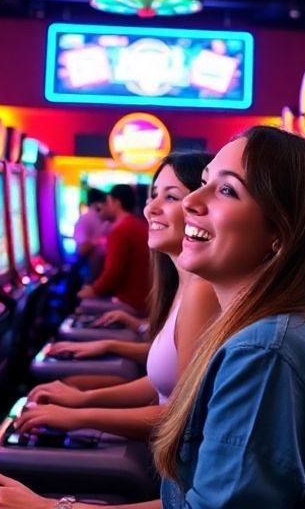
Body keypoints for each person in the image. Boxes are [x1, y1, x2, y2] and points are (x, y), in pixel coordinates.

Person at [0, 126, 305, 508]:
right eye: (203, 184)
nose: (190, 201)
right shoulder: (278, 330)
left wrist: (52, 508)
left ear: (280, 236)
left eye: (226, 191)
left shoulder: (267, 352)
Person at [16, 153, 221, 441]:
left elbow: (184, 417)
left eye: (171, 197)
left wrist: (79, 415)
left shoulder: (202, 291)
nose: (151, 209)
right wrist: (82, 400)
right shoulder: (184, 285)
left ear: (200, 207)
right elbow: (162, 384)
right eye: (152, 196)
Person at [77, 184, 151, 313]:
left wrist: (93, 290)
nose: (105, 206)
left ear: (116, 202)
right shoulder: (138, 224)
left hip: (131, 302)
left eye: (108, 201)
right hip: (145, 300)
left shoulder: (121, 230)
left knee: (81, 303)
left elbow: (112, 274)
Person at [71, 187, 111, 276]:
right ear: (97, 204)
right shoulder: (85, 220)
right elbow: (81, 250)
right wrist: (97, 241)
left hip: (101, 272)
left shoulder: (106, 219)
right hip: (89, 272)